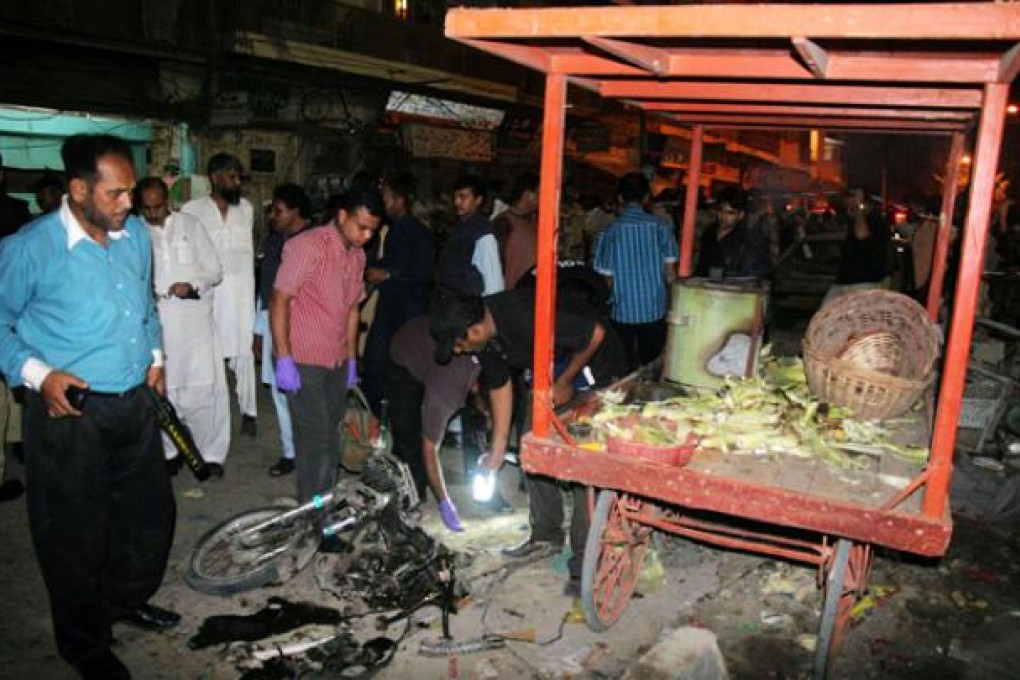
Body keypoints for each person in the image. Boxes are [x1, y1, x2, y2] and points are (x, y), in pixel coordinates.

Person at [0, 134, 177, 680]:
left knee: (146, 519)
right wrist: (40, 375)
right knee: (73, 535)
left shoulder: (133, 237)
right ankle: (84, 644)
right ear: (78, 190)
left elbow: (145, 304)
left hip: (134, 402)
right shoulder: (30, 249)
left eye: (131, 191)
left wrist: (155, 357)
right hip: (69, 412)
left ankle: (122, 601)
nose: (130, 203)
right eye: (116, 193)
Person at [430, 288, 627, 597]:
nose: (459, 352)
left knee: (582, 462)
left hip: (595, 367)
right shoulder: (485, 340)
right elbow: (500, 387)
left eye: (459, 345)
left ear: (474, 330)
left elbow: (596, 333)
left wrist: (565, 381)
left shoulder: (521, 315)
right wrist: (496, 452)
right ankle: (546, 535)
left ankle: (585, 561)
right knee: (531, 445)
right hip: (554, 372)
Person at [271, 187, 384, 503]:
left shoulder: (357, 256)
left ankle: (321, 505)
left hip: (335, 359)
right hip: (302, 359)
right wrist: (284, 358)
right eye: (361, 227)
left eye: (372, 231)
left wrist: (351, 359)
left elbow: (353, 309)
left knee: (332, 439)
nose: (366, 236)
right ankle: (315, 513)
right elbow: (280, 299)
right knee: (316, 441)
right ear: (342, 215)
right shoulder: (308, 246)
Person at [138, 177, 230, 478]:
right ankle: (170, 453)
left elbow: (215, 270)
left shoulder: (190, 225)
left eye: (158, 206)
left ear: (168, 201)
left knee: (204, 391)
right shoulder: (135, 232)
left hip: (194, 324)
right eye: (147, 208)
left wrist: (191, 284)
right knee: (165, 391)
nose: (153, 214)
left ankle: (210, 454)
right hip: (157, 326)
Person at [182, 153, 258, 436]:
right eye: (231, 177)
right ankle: (210, 411)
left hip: (241, 292)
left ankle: (249, 411)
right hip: (210, 292)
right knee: (209, 352)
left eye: (238, 177)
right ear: (214, 178)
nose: (237, 182)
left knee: (243, 351)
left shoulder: (246, 208)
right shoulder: (192, 210)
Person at [388, 316, 486, 532]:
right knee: (409, 435)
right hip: (405, 352)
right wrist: (444, 501)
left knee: (472, 421)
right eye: (486, 410)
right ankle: (413, 497)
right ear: (476, 389)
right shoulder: (447, 392)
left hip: (434, 353)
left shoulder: (490, 364)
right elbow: (430, 447)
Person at [360, 171, 435, 418]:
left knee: (399, 369)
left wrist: (388, 275)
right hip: (390, 308)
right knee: (376, 364)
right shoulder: (394, 230)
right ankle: (373, 419)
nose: (383, 202)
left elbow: (423, 272)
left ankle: (393, 420)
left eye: (386, 197)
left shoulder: (418, 233)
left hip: (408, 312)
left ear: (400, 200)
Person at [594, 172, 679, 371]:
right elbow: (670, 274)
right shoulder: (661, 227)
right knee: (652, 364)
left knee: (625, 366)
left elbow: (607, 279)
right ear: (647, 197)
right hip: (655, 310)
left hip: (621, 311)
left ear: (620, 198)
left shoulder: (609, 232)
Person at [256, 184, 312, 477]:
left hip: (304, 326)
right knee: (280, 393)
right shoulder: (274, 242)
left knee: (306, 393)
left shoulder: (315, 241)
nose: (273, 217)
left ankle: (310, 452)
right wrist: (258, 329)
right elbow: (266, 289)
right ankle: (290, 453)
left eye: (278, 211)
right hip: (273, 324)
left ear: (296, 211)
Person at [436, 174, 504, 297]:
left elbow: (494, 283)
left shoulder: (483, 235)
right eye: (455, 197)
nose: (457, 202)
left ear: (478, 200)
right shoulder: (460, 227)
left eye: (463, 197)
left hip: (468, 304)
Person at [823, 189, 892, 304]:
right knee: (827, 312)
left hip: (862, 282)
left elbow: (861, 234)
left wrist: (858, 208)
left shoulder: (874, 220)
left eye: (851, 199)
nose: (847, 203)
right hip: (846, 281)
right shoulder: (857, 220)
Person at [695, 186, 772, 280]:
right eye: (721, 210)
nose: (723, 216)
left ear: (741, 215)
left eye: (730, 213)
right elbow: (701, 264)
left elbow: (752, 274)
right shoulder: (710, 231)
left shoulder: (747, 240)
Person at [493, 171, 539, 289]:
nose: (541, 198)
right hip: (512, 293)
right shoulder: (503, 223)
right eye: (538, 193)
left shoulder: (533, 222)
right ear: (527, 195)